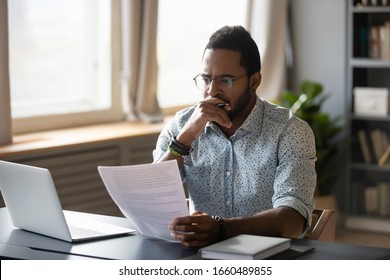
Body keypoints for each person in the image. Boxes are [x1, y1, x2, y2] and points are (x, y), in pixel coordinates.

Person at [153, 25, 316, 248]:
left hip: (268, 259)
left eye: (225, 80)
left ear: (254, 81)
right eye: (206, 79)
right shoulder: (182, 127)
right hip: (199, 257)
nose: (211, 91)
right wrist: (184, 140)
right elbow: (152, 199)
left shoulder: (290, 132)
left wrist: (223, 229)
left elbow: (292, 220)